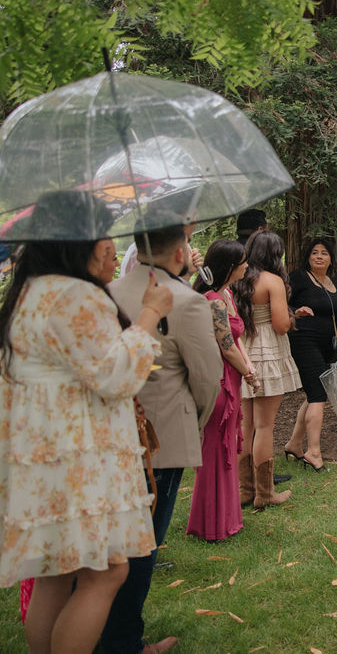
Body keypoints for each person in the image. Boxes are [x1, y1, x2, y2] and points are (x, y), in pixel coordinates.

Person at [0, 190, 171, 654]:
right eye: (103, 236)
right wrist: (152, 313)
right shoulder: (75, 295)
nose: (110, 248)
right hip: (80, 459)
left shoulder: (29, 292)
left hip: (42, 457)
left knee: (57, 575)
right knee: (106, 572)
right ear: (75, 241)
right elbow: (116, 376)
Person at [104, 217, 222, 654]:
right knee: (143, 543)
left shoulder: (106, 293)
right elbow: (208, 377)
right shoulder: (186, 301)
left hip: (109, 434)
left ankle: (102, 628)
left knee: (114, 542)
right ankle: (123, 640)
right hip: (164, 437)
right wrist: (193, 422)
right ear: (179, 253)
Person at [186, 240, 258, 541]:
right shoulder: (213, 299)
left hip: (234, 376)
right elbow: (226, 347)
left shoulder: (227, 294)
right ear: (229, 266)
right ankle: (211, 524)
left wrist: (249, 367)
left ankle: (226, 516)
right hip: (219, 380)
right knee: (216, 450)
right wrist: (247, 372)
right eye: (242, 262)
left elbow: (238, 340)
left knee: (226, 446)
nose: (246, 266)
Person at [233, 231, 299, 507]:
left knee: (246, 426)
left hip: (243, 352)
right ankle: (265, 493)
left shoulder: (238, 281)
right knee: (265, 426)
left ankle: (245, 490)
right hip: (268, 352)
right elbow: (281, 325)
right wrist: (295, 318)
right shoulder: (272, 281)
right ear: (276, 254)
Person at [283, 238, 337, 471]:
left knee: (313, 395)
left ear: (330, 259)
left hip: (327, 346)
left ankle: (294, 444)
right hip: (303, 341)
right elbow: (279, 304)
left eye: (324, 253)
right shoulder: (298, 277)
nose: (319, 256)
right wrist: (294, 312)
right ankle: (314, 452)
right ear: (308, 257)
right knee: (318, 394)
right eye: (315, 253)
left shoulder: (331, 283)